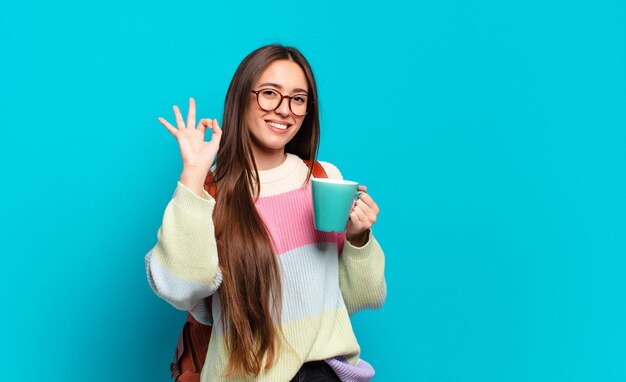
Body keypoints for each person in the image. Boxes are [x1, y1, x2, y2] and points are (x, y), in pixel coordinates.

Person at [145, 44, 387, 382]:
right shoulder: (210, 194)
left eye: (298, 99)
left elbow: (360, 298)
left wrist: (359, 237)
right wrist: (194, 176)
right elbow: (182, 288)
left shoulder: (324, 179)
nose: (284, 110)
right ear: (242, 98)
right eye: (270, 93)